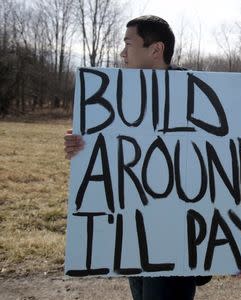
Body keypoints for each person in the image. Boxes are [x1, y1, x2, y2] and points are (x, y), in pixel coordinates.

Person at [65, 15, 198, 300]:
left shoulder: (195, 94)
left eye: (128, 43)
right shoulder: (118, 96)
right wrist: (81, 146)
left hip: (175, 236)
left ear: (155, 50)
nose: (122, 53)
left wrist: (239, 250)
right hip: (135, 234)